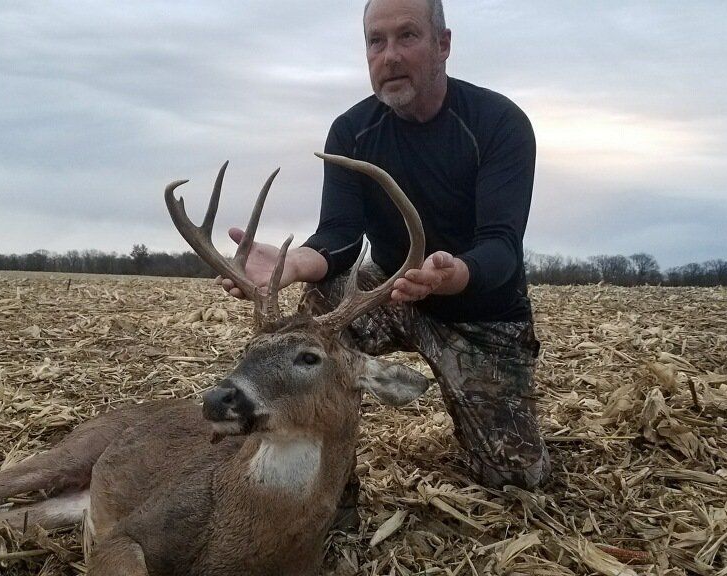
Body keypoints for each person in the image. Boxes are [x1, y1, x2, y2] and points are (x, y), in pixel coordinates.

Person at [219, 0, 549, 504]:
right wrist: (295, 264)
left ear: (443, 44)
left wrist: (453, 273)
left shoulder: (498, 124)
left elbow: (502, 248)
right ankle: (333, 487)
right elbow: (341, 236)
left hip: (482, 317)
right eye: (377, 41)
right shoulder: (352, 132)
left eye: (407, 37)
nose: (389, 55)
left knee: (514, 481)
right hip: (389, 294)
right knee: (319, 319)